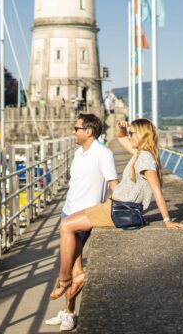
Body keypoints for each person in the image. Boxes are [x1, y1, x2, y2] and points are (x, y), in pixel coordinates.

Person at [49, 118, 183, 302]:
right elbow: (120, 138)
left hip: (119, 209)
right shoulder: (140, 153)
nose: (129, 137)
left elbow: (156, 190)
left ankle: (65, 279)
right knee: (70, 226)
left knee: (66, 226)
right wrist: (123, 128)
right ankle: (76, 275)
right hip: (113, 206)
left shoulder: (145, 158)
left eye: (132, 134)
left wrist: (167, 220)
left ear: (142, 135)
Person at [45, 113, 117, 332]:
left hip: (84, 216)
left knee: (71, 265)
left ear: (89, 131)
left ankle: (68, 307)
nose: (73, 132)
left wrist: (119, 208)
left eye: (76, 128)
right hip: (67, 212)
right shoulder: (78, 153)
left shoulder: (103, 154)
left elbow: (114, 183)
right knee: (73, 264)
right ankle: (68, 311)